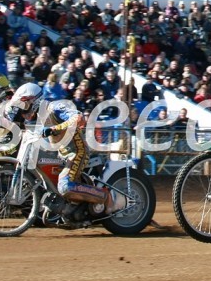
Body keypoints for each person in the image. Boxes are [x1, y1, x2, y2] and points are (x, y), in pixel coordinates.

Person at [8, 83, 124, 217]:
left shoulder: (54, 107)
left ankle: (105, 195)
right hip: (61, 155)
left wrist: (55, 129)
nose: (23, 113)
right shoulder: (36, 118)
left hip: (77, 152)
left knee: (64, 186)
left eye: (24, 106)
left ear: (34, 101)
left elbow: (78, 118)